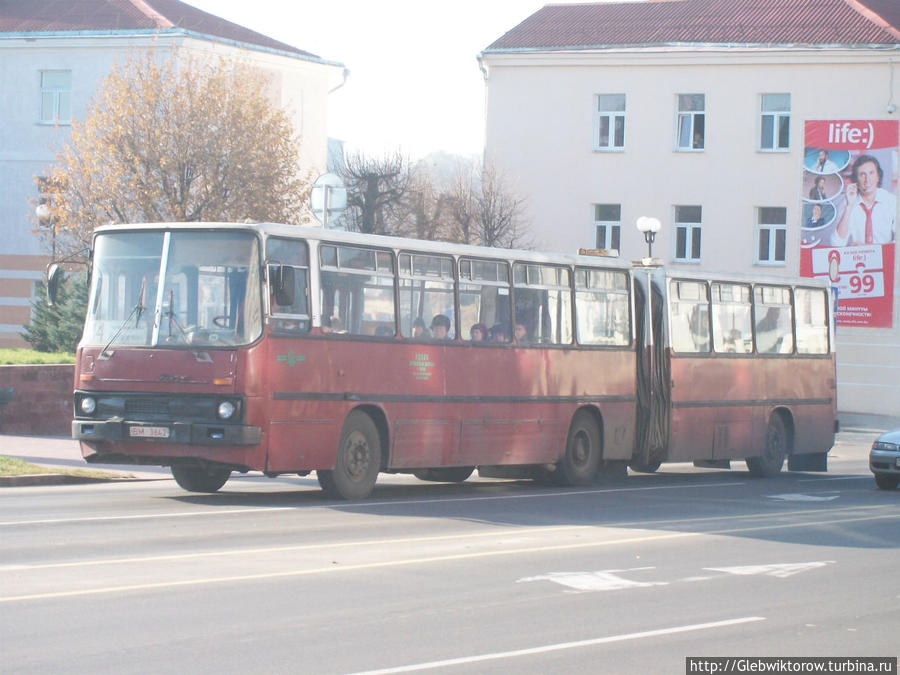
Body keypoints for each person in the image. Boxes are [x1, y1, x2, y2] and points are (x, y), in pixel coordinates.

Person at [830, 154, 897, 246]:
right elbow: (836, 243)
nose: (867, 180)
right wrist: (849, 206)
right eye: (862, 175)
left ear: (878, 176)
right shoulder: (847, 203)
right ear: (856, 180)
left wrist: (876, 249)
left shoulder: (892, 201)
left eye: (871, 173)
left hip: (884, 257)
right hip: (857, 258)